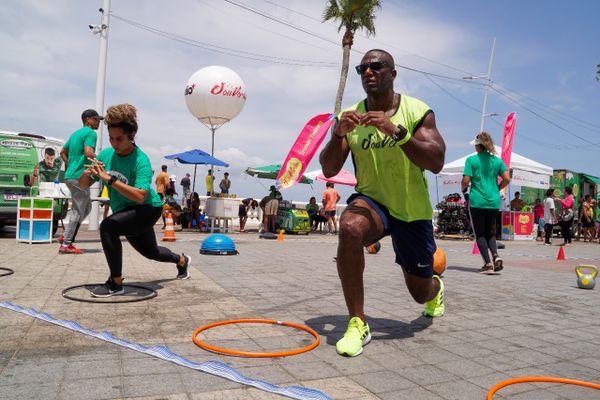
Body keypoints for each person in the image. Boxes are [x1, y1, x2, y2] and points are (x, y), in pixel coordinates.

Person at [319, 49, 446, 357]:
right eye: (363, 68)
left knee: (419, 292)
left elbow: (436, 161)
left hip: (410, 210)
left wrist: (397, 132)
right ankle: (357, 323)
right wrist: (337, 135)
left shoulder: (417, 111)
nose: (368, 72)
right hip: (373, 202)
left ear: (392, 73)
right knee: (349, 227)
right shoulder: (351, 116)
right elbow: (329, 169)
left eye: (376, 66)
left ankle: (436, 290)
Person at [79, 103, 191, 297]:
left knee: (107, 227)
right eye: (111, 138)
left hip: (147, 209)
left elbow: (140, 196)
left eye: (119, 138)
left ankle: (115, 283)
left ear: (131, 136)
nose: (114, 143)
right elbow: (83, 185)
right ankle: (182, 261)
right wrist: (88, 173)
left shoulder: (141, 160)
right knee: (152, 252)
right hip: (126, 212)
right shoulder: (106, 155)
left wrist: (109, 179)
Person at [462, 132, 511, 274]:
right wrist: (497, 189)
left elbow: (466, 180)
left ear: (478, 145)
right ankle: (496, 256)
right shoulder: (497, 161)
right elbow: (507, 178)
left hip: (477, 201)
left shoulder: (471, 160)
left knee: (480, 234)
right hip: (493, 202)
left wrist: (463, 187)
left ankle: (488, 264)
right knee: (490, 232)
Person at [58, 109, 102, 254]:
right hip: (80, 177)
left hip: (69, 176)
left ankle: (67, 234)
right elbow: (89, 152)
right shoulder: (90, 133)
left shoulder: (75, 134)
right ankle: (66, 244)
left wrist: (69, 164)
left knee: (87, 207)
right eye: (96, 119)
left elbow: (62, 152)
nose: (98, 122)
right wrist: (101, 160)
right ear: (87, 119)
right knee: (78, 210)